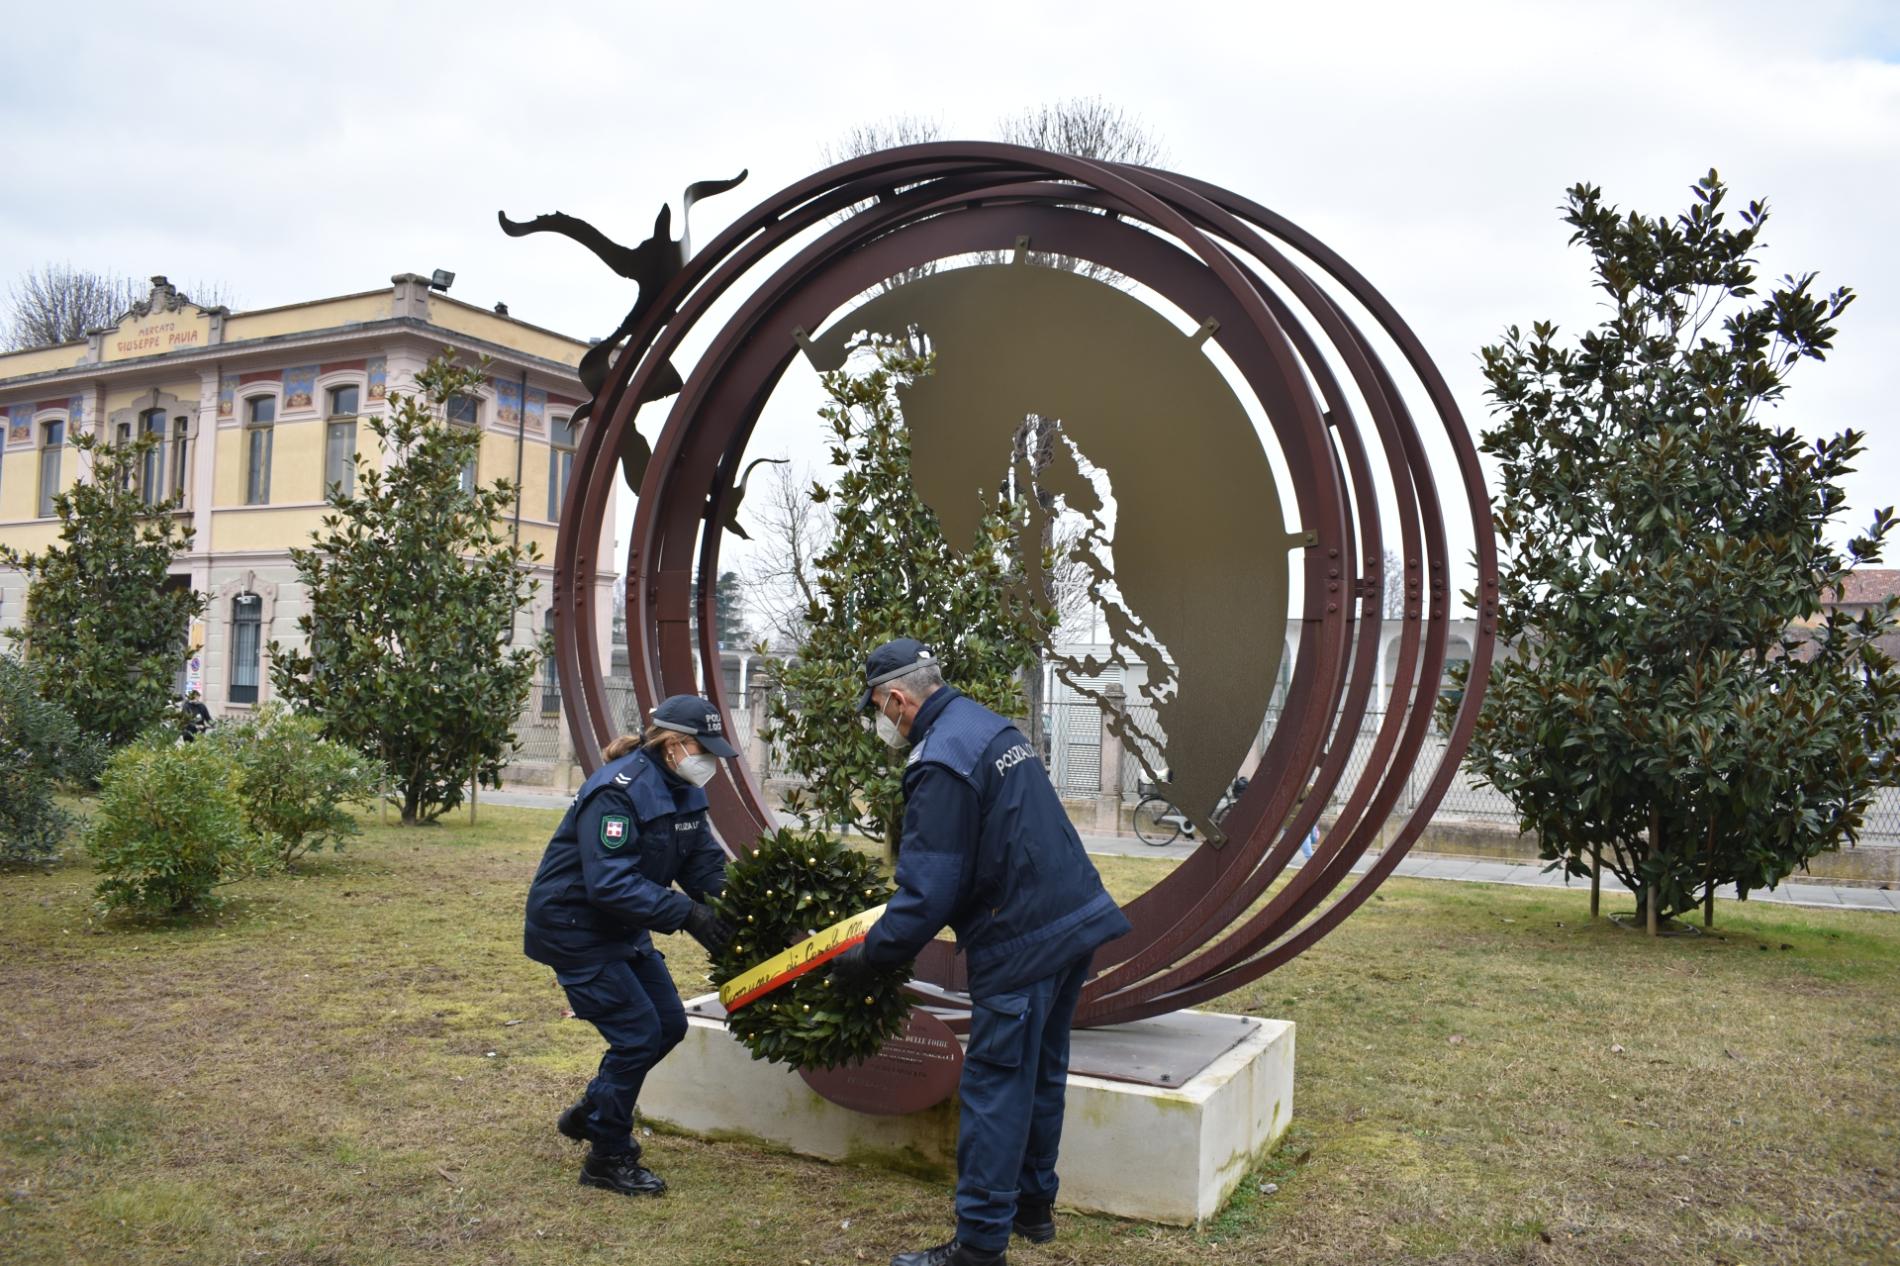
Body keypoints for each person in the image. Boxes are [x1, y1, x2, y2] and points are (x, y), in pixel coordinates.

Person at [830, 639, 1132, 1266]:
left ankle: (979, 1244)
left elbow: (928, 892)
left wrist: (872, 955)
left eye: (882, 711)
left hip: (1020, 940)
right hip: (1071, 923)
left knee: (996, 1085)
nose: (885, 722)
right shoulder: (989, 727)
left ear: (897, 697)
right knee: (1042, 1072)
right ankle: (1032, 1208)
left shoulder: (940, 759)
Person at [522, 693, 737, 1196]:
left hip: (621, 926)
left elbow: (702, 865)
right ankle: (608, 1155)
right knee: (638, 1034)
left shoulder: (685, 789)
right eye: (702, 749)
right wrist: (688, 915)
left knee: (668, 1025)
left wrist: (738, 911)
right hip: (575, 927)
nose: (709, 761)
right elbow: (610, 884)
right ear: (675, 745)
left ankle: (595, 1110)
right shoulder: (615, 792)